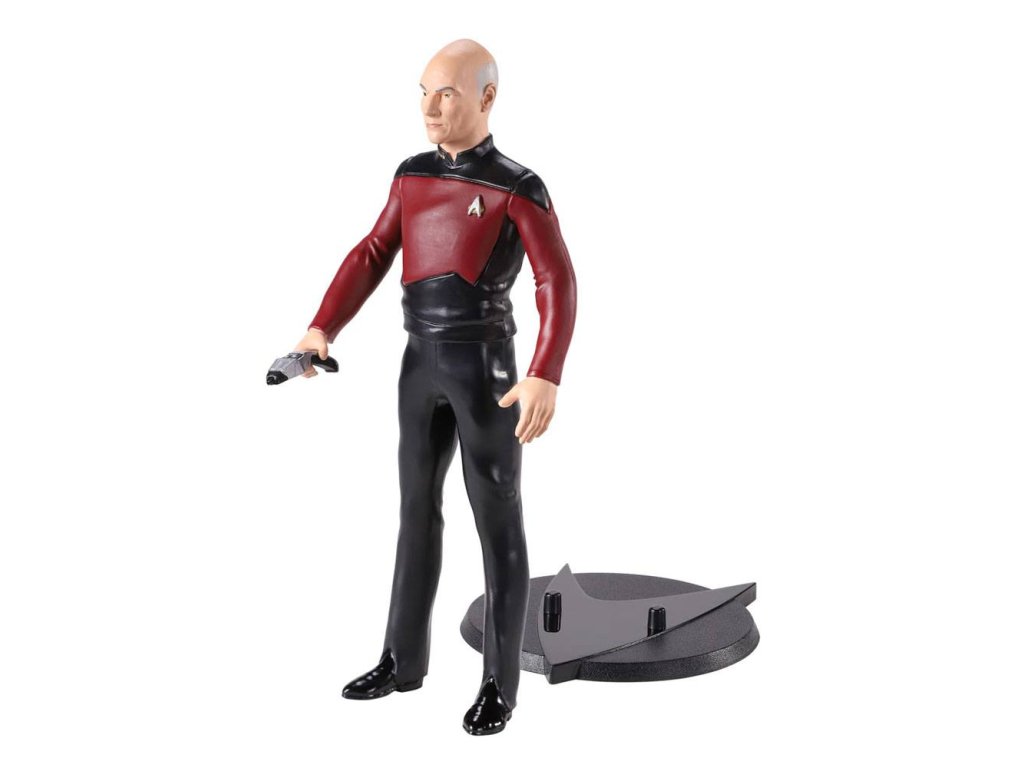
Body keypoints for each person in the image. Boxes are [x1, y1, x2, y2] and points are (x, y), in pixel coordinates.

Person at [292, 38, 577, 735]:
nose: (430, 106)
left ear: (487, 97)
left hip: (487, 373)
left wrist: (545, 371)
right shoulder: (412, 175)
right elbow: (372, 252)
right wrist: (321, 328)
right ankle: (402, 659)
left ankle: (499, 684)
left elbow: (556, 280)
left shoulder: (517, 186)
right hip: (418, 364)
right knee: (415, 510)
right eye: (423, 92)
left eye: (447, 92)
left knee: (497, 520)